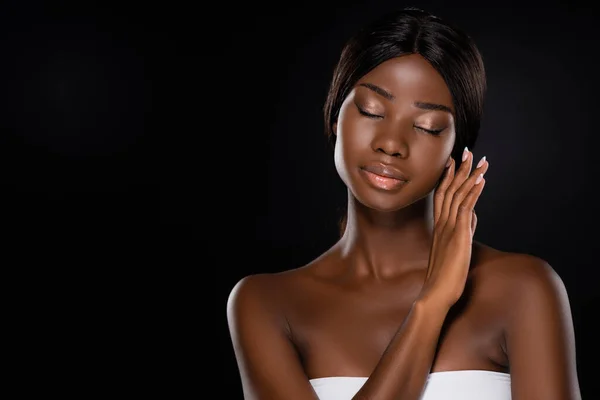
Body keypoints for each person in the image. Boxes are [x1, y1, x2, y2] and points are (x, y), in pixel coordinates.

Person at [227, 7, 582, 400]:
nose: (392, 144)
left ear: (457, 150)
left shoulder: (523, 289)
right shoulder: (266, 304)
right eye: (371, 110)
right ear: (334, 115)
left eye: (427, 127)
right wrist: (432, 304)